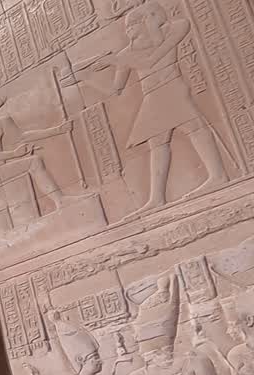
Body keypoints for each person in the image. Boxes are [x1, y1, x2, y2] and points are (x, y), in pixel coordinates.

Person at [80, 1, 228, 219]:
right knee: (157, 143)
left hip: (171, 87)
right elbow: (116, 89)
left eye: (133, 24)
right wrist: (87, 78)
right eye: (127, 27)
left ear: (148, 19)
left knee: (194, 127)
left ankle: (218, 176)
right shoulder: (127, 53)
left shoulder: (173, 30)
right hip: (152, 96)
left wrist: (115, 59)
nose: (128, 30)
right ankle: (157, 198)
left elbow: (150, 61)